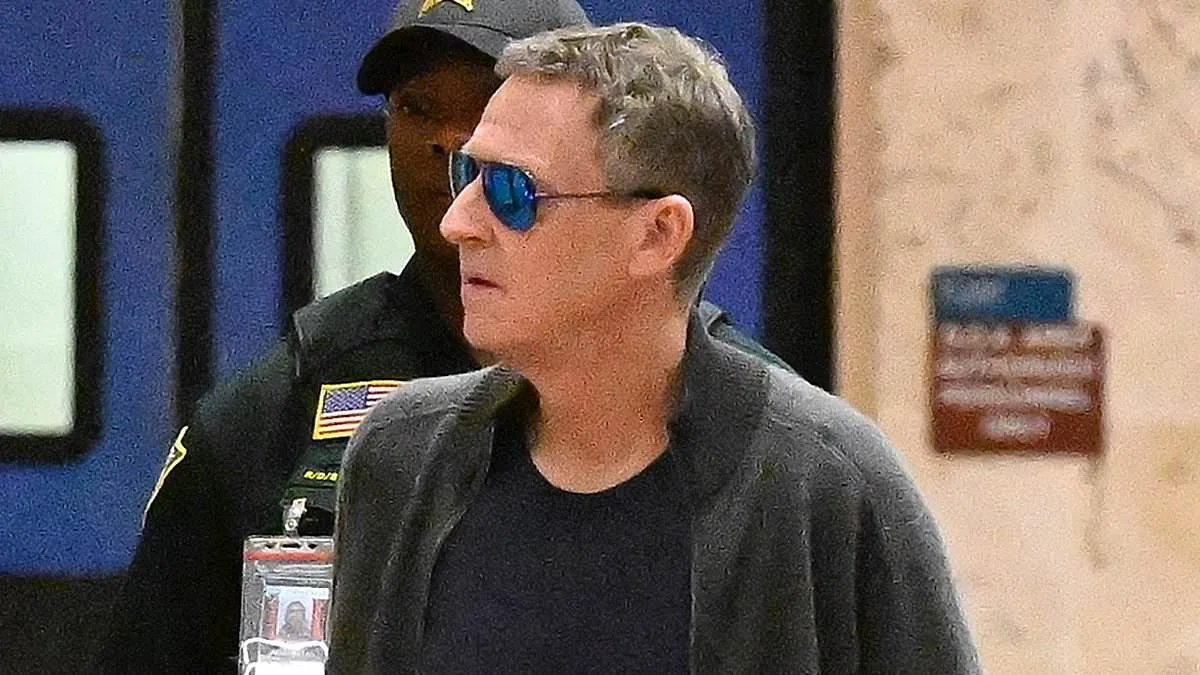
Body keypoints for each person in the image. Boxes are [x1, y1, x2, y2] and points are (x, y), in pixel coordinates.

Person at [100, 1, 787, 673]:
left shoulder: (763, 434)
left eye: (488, 106)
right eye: (417, 108)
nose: (450, 141)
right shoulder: (277, 411)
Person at [329, 21, 980, 674]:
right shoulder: (402, 458)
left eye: (510, 191)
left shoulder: (828, 486)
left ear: (657, 234)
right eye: (466, 174)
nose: (457, 223)